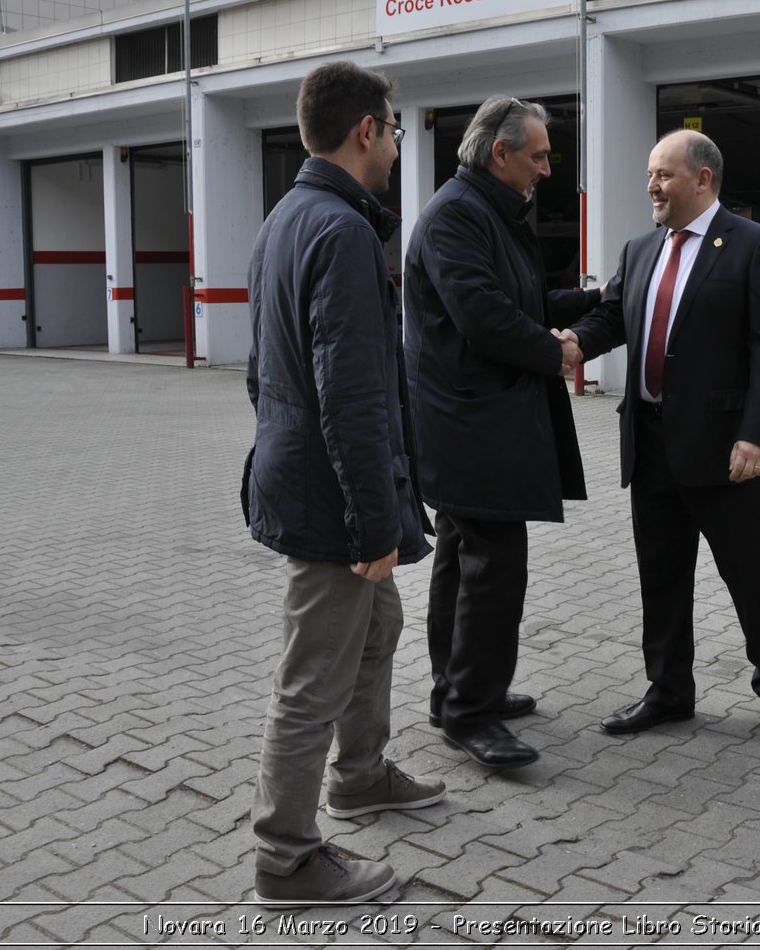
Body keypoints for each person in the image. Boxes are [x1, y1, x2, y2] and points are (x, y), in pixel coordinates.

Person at [243, 61, 440, 908]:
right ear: (366, 130)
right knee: (313, 675)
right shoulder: (344, 232)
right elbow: (353, 398)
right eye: (394, 130)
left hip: (303, 474)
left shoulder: (285, 217)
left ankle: (360, 774)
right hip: (334, 497)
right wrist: (370, 527)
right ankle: (285, 857)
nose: (397, 145)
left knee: (381, 619)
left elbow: (260, 372)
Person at [560, 128, 760, 751]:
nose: (652, 186)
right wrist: (576, 345)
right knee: (661, 577)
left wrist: (758, 435)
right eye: (649, 174)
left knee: (751, 577)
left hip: (727, 452)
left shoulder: (755, 246)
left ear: (704, 179)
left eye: (664, 175)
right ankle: (668, 691)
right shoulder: (642, 249)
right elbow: (614, 315)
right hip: (651, 443)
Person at [404, 96, 598, 770]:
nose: (548, 168)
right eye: (540, 155)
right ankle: (471, 713)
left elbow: (527, 303)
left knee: (462, 560)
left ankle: (452, 691)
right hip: (470, 428)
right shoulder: (458, 215)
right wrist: (558, 353)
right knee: (493, 570)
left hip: (475, 425)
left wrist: (597, 302)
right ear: (501, 153)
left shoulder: (488, 210)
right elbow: (483, 316)